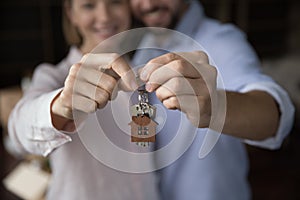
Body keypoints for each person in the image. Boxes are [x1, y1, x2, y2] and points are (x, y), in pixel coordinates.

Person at [127, 0, 295, 199]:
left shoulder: (222, 40)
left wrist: (214, 107)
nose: (147, 4)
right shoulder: (145, 46)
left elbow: (273, 118)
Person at [8, 0, 160, 199]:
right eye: (89, 5)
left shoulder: (144, 73)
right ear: (71, 13)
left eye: (115, 2)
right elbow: (19, 130)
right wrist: (61, 105)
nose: (105, 17)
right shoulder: (52, 76)